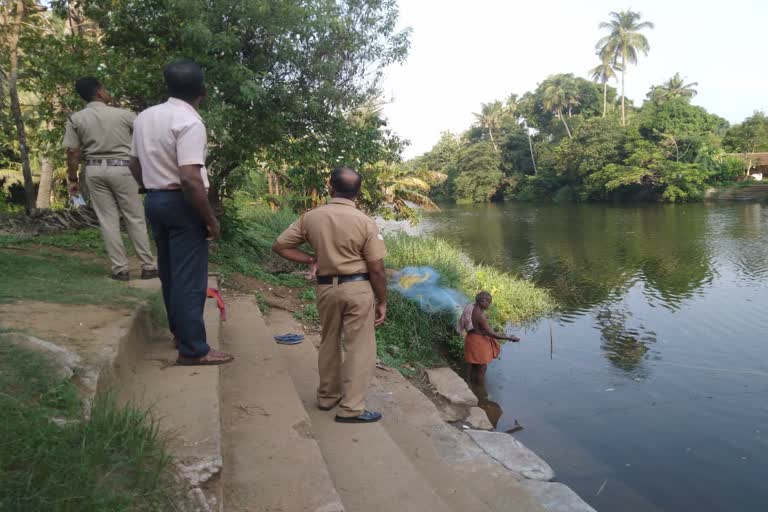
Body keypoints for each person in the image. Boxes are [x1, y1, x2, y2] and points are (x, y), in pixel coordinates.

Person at [129, 59, 233, 366]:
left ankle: (181, 333)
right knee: (190, 279)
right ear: (202, 91)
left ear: (169, 86)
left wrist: (150, 187)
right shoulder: (190, 122)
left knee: (171, 274)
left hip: (156, 200)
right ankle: (194, 349)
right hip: (182, 203)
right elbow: (189, 177)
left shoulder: (145, 117)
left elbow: (134, 164)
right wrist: (209, 218)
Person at [272, 167, 388, 424]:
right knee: (360, 347)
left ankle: (327, 396)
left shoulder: (311, 217)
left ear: (330, 187)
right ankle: (351, 408)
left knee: (329, 340)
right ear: (357, 192)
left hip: (326, 288)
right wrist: (382, 301)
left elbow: (280, 245)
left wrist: (311, 258)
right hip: (358, 289)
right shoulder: (365, 222)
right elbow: (377, 270)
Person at [63, 77, 158, 281]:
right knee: (135, 218)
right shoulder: (124, 115)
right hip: (123, 169)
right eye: (104, 89)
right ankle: (148, 267)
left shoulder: (75, 119)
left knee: (108, 221)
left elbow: (72, 151)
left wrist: (73, 178)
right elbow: (147, 134)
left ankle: (120, 269)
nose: (107, 92)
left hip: (95, 171)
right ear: (99, 92)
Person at [460, 291, 520, 384]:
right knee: (481, 368)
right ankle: (480, 392)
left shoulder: (472, 307)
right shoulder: (480, 316)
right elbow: (492, 334)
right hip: (478, 342)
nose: (489, 305)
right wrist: (510, 338)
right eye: (488, 302)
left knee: (474, 365)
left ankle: (470, 384)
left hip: (471, 338)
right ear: (482, 302)